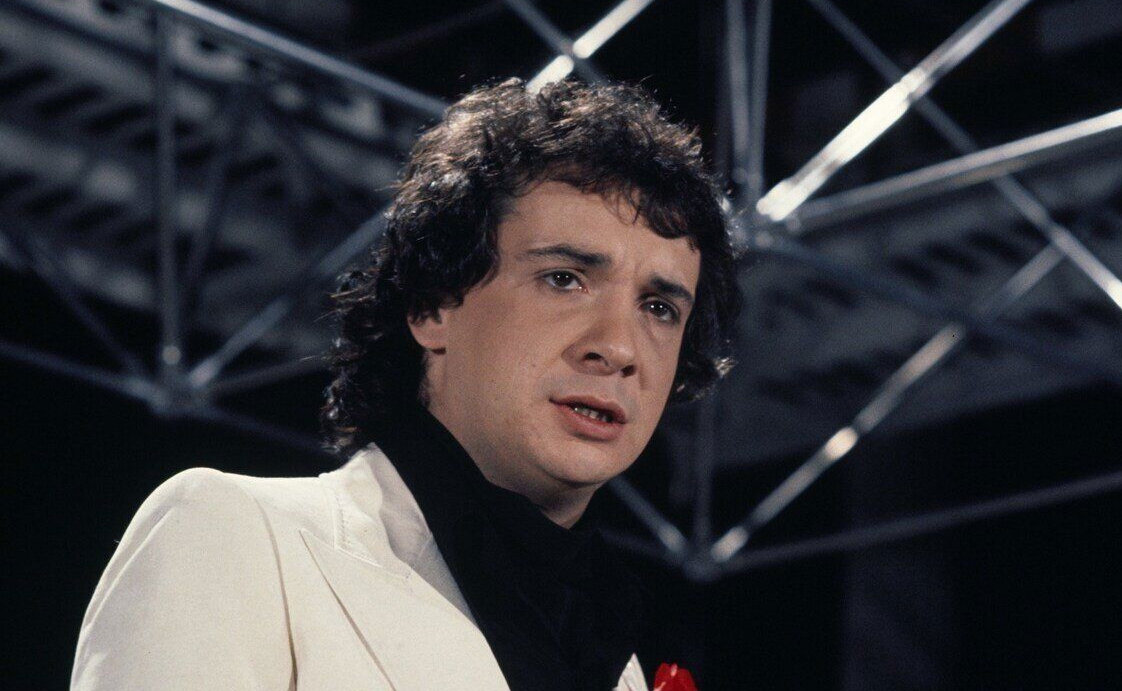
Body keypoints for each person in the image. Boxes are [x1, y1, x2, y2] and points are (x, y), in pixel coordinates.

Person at [70, 79, 740, 691]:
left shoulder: (619, 666)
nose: (619, 348)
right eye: (564, 279)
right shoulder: (234, 537)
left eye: (659, 308)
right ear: (432, 306)